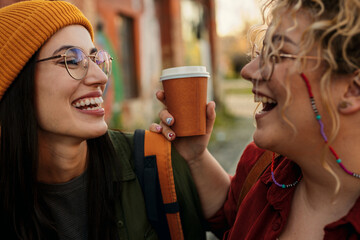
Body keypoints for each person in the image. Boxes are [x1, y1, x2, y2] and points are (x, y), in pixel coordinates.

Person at [152, 0, 360, 239]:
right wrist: (195, 156)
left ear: (352, 90)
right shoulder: (264, 165)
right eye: (261, 53)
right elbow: (233, 215)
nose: (247, 71)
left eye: (278, 55)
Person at [0, 0, 207, 239]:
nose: (100, 77)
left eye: (96, 59)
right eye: (72, 60)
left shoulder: (156, 163)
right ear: (15, 83)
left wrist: (197, 157)